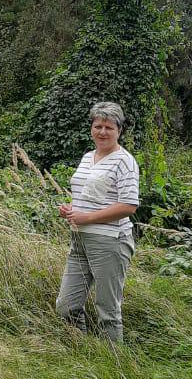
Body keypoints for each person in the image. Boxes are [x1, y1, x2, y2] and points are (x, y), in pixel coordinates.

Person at [56, 101, 139, 344]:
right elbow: (89, 195)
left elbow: (129, 206)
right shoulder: (87, 157)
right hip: (79, 239)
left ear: (119, 131)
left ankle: (113, 366)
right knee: (66, 306)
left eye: (109, 127)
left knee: (108, 311)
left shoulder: (125, 162)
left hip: (109, 242)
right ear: (91, 128)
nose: (102, 132)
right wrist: (72, 209)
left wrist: (87, 217)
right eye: (98, 126)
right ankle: (82, 350)